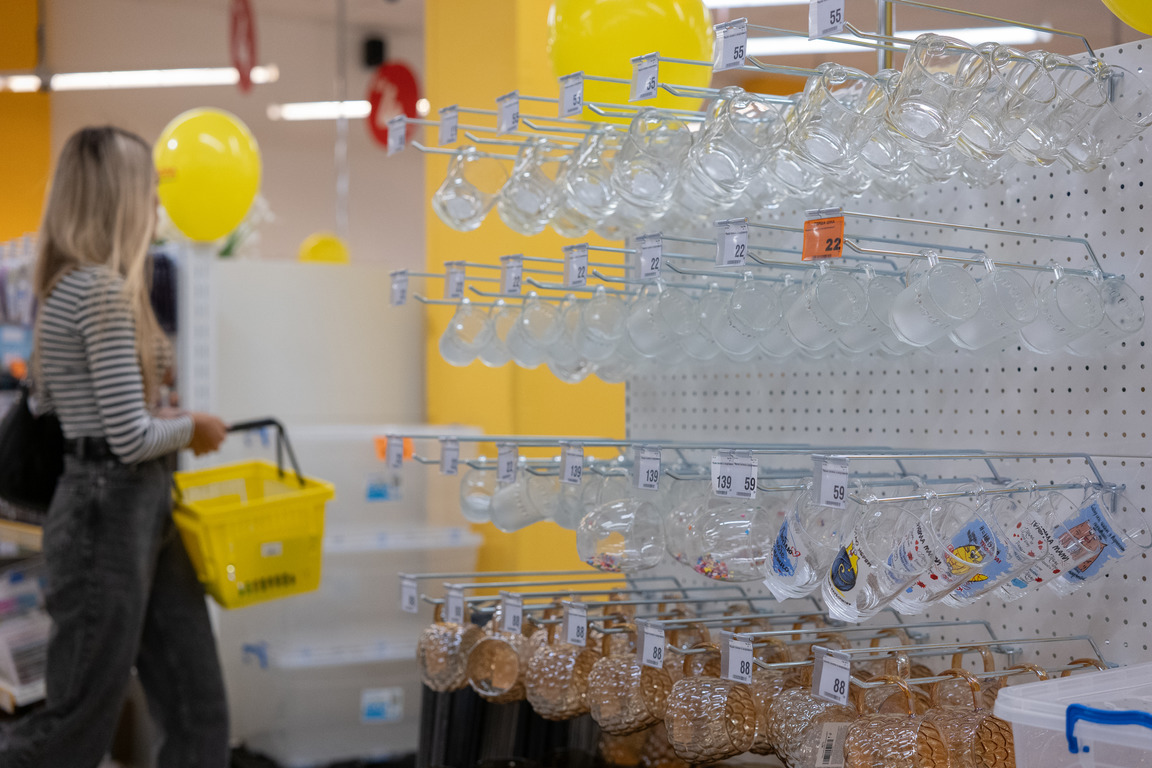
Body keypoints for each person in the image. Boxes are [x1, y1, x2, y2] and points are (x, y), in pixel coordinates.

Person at [1, 126, 231, 768]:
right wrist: (193, 426)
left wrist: (165, 417)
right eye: (148, 189)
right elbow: (128, 439)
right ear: (118, 197)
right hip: (109, 510)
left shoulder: (73, 288)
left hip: (131, 505)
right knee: (77, 726)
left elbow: (91, 414)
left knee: (197, 707)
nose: (157, 203)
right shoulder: (99, 291)